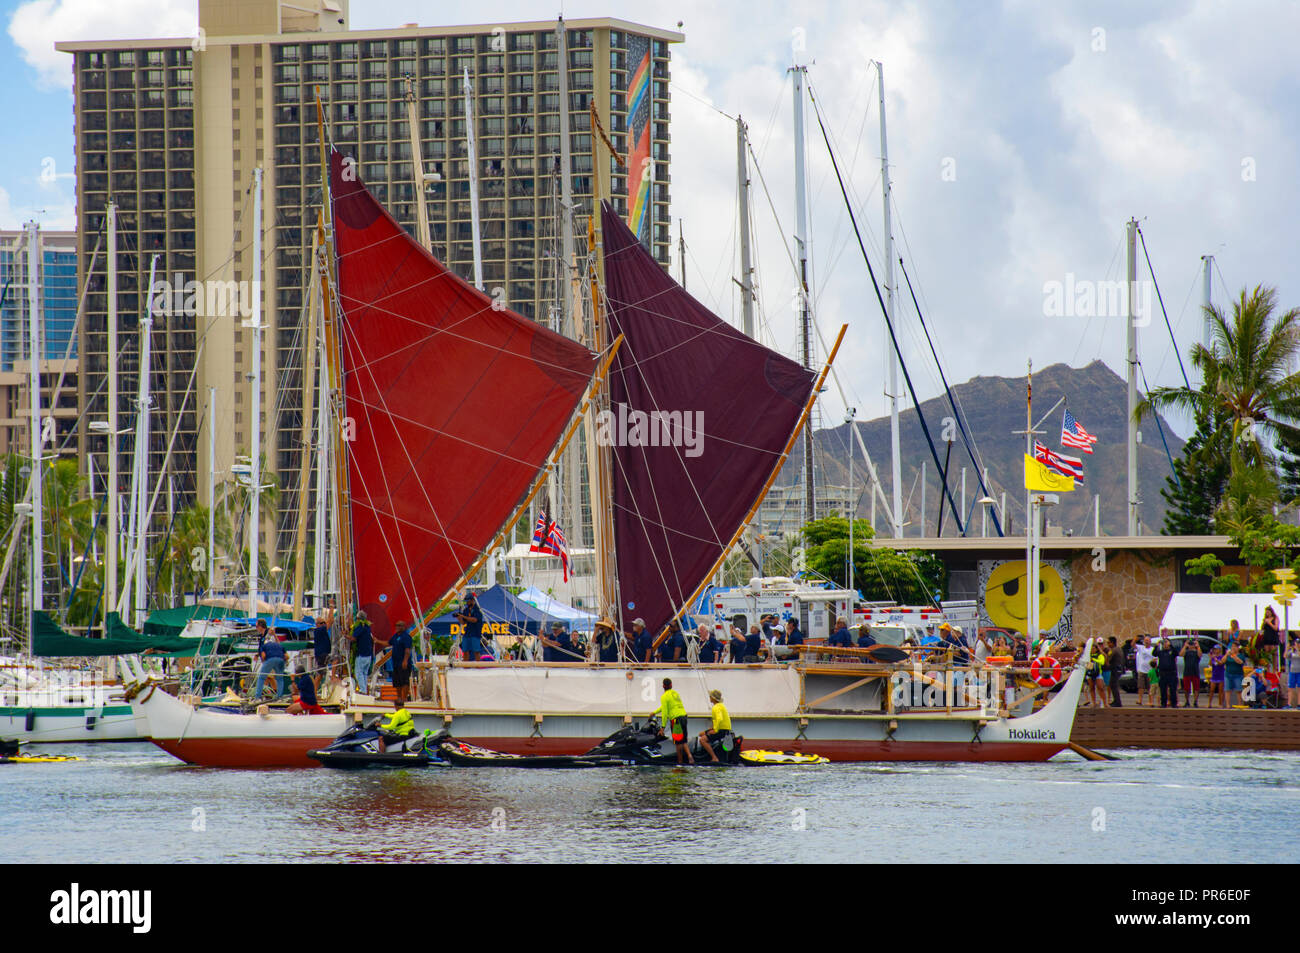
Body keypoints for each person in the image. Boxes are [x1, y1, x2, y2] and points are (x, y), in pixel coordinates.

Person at [652, 678, 692, 765]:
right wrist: (655, 712)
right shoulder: (675, 693)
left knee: (678, 742)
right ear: (671, 685)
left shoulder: (664, 696)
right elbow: (665, 707)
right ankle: (690, 756)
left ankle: (680, 762)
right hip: (684, 716)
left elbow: (665, 713)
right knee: (684, 740)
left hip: (676, 719)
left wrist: (662, 727)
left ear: (663, 686)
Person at [697, 688, 733, 763]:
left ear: (713, 698)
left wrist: (715, 730)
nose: (709, 697)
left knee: (702, 740)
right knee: (701, 734)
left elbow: (719, 719)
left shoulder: (715, 707)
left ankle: (714, 757)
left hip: (721, 731)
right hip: (725, 730)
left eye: (710, 696)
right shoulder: (721, 706)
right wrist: (710, 729)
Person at [253, 631, 288, 700]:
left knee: (261, 678)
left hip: (270, 659)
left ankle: (257, 697)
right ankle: (279, 697)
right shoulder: (279, 646)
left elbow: (263, 656)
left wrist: (265, 663)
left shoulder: (264, 646)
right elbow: (287, 656)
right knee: (280, 679)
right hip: (280, 660)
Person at [349, 611, 374, 694]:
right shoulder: (367, 626)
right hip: (368, 655)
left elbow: (353, 638)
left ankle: (363, 690)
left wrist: (345, 636)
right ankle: (364, 690)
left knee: (358, 672)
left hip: (362, 655)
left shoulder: (360, 626)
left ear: (358, 618)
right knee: (364, 673)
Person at [389, 621, 414, 704]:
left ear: (404, 627)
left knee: (404, 681)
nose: (397, 627)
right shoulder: (395, 637)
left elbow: (407, 650)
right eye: (396, 625)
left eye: (399, 625)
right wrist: (377, 641)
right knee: (397, 682)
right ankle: (399, 697)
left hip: (403, 663)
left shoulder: (406, 637)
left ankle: (404, 698)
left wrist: (405, 661)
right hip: (396, 663)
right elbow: (388, 643)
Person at [455, 592, 485, 661]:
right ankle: (465, 666)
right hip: (467, 633)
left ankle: (478, 666)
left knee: (476, 651)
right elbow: (463, 623)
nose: (467, 603)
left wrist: (463, 616)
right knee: (465, 651)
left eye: (467, 601)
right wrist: (459, 617)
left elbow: (474, 620)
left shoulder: (477, 610)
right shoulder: (466, 610)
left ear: (472, 600)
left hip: (475, 633)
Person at [1154, 637, 1179, 708]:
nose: (1165, 645)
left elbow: (1176, 653)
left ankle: (1174, 703)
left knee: (1173, 690)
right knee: (1163, 690)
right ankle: (1163, 703)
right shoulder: (1161, 652)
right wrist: (1156, 646)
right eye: (1164, 643)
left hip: (1172, 673)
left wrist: (1170, 645)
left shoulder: (1172, 651)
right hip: (1163, 673)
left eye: (1166, 643)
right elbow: (1154, 653)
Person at [1224, 636, 1248, 707]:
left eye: (1235, 646)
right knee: (1227, 690)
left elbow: (1240, 662)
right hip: (1228, 674)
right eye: (1232, 646)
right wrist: (1226, 655)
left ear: (1238, 648)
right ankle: (1228, 705)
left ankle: (1240, 704)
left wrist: (1233, 655)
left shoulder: (1241, 655)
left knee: (1238, 690)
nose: (1233, 648)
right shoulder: (1228, 655)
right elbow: (1222, 661)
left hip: (1238, 675)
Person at [1181, 639, 1203, 708]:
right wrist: (1185, 646)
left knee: (1196, 688)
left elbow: (1200, 655)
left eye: (1192, 644)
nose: (1191, 646)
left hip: (1195, 672)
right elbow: (1181, 654)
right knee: (1186, 688)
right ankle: (1187, 701)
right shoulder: (1186, 652)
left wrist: (1198, 646)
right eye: (1190, 644)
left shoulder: (1197, 652)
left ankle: (1195, 701)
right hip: (1187, 672)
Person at [312, 614, 331, 692]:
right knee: (320, 674)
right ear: (317, 624)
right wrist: (331, 607)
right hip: (321, 655)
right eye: (322, 623)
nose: (324, 624)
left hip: (323, 654)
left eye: (324, 623)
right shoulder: (318, 630)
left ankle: (315, 692)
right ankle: (314, 692)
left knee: (320, 674)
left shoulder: (321, 631)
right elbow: (330, 621)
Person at [1134, 635, 1154, 707]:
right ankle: (1140, 700)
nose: (1146, 641)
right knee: (1141, 686)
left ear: (1150, 641)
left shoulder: (1153, 649)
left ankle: (1150, 701)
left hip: (1150, 671)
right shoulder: (1141, 648)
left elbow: (1155, 658)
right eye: (1145, 640)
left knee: (1150, 687)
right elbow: (1133, 645)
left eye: (1148, 640)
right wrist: (1135, 639)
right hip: (1142, 670)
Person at [1107, 636, 1125, 707]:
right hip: (1118, 669)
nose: (1108, 644)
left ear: (1112, 643)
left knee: (1113, 685)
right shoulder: (1119, 649)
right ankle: (1116, 700)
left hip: (1115, 669)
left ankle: (1117, 702)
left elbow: (1109, 659)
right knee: (1113, 685)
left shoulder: (1113, 650)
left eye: (1108, 643)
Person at [1287, 637, 1300, 709]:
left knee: (1299, 688)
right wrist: (1287, 648)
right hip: (1292, 671)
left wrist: (1297, 649)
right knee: (1290, 688)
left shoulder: (1298, 651)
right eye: (1297, 643)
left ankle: (1299, 704)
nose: (1298, 645)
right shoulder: (1292, 651)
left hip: (1299, 672)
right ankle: (1289, 704)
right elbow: (1285, 656)